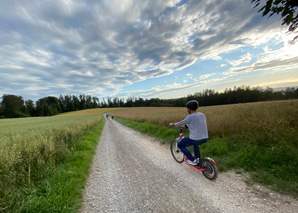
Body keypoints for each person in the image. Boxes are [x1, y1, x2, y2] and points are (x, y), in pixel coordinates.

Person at [169, 100, 208, 166]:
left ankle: (193, 160)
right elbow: (192, 124)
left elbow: (182, 122)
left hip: (195, 139)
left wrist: (173, 124)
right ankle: (197, 158)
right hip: (205, 138)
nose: (187, 110)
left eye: (187, 108)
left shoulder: (190, 117)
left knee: (180, 144)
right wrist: (182, 126)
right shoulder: (202, 115)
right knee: (196, 144)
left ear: (189, 109)